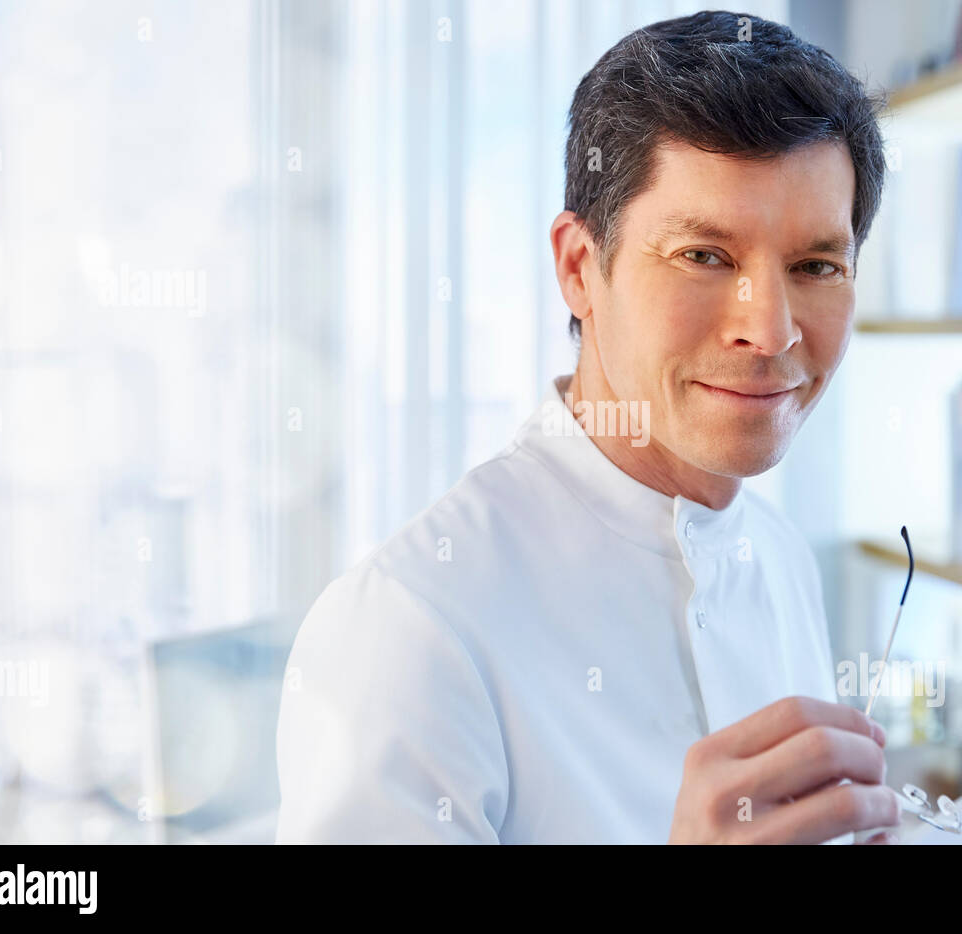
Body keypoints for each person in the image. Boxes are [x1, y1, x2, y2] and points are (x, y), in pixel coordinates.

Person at [276, 9, 900, 844]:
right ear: (579, 268)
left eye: (816, 266)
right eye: (704, 256)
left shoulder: (780, 559)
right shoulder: (411, 625)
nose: (772, 330)